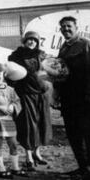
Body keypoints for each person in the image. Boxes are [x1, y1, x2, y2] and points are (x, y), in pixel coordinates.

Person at [8, 31, 52, 169]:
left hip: (41, 95)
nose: (31, 42)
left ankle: (37, 153)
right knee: (28, 126)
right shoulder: (16, 56)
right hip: (26, 96)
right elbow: (10, 74)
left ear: (38, 42)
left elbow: (50, 71)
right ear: (24, 41)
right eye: (29, 39)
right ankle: (28, 157)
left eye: (34, 40)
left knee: (41, 125)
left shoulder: (42, 55)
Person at [56, 16, 90, 178]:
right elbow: (59, 72)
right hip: (68, 101)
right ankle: (83, 168)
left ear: (76, 27)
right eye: (62, 27)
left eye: (68, 26)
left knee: (87, 134)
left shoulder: (85, 44)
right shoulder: (63, 48)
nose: (66, 29)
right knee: (73, 135)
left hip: (85, 100)